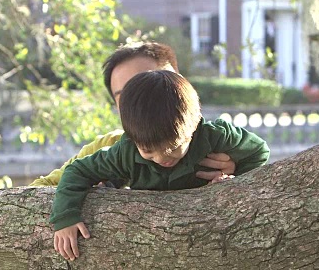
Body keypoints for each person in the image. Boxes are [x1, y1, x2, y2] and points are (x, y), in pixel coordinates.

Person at [51, 70, 270, 261]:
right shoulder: (125, 152)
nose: (162, 158)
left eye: (174, 147)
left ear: (193, 126)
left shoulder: (216, 136)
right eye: (148, 151)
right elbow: (78, 171)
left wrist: (236, 179)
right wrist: (66, 217)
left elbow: (259, 152)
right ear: (132, 138)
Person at [30, 42, 236, 187]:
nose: (140, 101)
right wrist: (86, 194)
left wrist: (239, 170)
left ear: (181, 85)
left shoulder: (216, 139)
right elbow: (37, 191)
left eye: (151, 85)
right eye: (125, 96)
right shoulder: (109, 147)